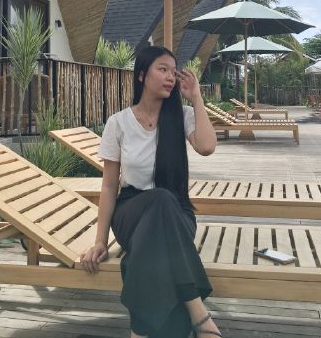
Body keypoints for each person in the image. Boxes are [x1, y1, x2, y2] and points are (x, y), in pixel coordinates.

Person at [80, 46, 220, 338]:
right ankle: (198, 312)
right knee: (159, 199)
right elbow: (109, 185)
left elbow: (207, 147)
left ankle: (140, 331)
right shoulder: (118, 123)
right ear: (142, 75)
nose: (170, 77)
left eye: (173, 71)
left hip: (177, 215)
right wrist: (100, 240)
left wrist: (196, 97)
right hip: (132, 213)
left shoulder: (182, 116)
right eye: (162, 69)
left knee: (156, 221)